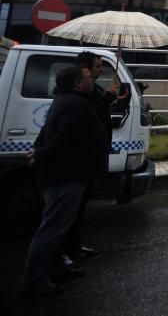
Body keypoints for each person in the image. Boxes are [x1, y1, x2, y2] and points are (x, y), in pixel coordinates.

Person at [21, 66, 107, 298]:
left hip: (64, 174)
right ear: (78, 83)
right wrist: (41, 154)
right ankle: (35, 280)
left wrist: (39, 151)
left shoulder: (65, 100)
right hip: (66, 176)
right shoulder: (75, 105)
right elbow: (65, 138)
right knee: (51, 230)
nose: (93, 80)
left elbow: (50, 133)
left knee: (59, 229)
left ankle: (56, 269)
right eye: (89, 77)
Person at [62, 51, 130, 265]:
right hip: (79, 161)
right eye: (98, 66)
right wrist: (108, 96)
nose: (100, 70)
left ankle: (73, 247)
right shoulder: (75, 98)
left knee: (79, 208)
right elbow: (90, 115)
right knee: (68, 211)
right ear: (84, 70)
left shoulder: (91, 91)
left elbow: (101, 113)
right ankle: (62, 254)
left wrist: (118, 99)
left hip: (90, 159)